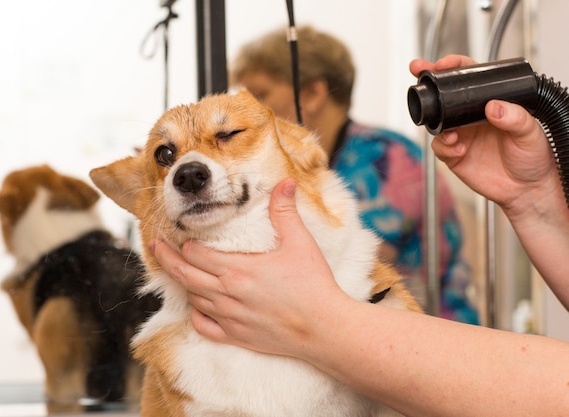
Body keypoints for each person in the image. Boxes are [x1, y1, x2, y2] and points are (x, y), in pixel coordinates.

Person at [150, 54, 569, 416]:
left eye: (230, 134)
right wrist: (534, 198)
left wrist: (318, 319)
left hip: (437, 336)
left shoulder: (383, 155)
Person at [230, 25, 478, 323]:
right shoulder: (311, 164)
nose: (244, 112)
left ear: (312, 93)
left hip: (430, 336)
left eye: (259, 95)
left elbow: (328, 266)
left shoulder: (388, 158)